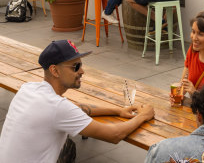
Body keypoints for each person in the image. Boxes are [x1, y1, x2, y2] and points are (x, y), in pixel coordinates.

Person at [0, 40, 155, 162]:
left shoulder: (29, 88)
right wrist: (144, 115)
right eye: (76, 66)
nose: (82, 71)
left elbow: (77, 108)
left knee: (68, 146)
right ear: (55, 70)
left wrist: (118, 110)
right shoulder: (56, 107)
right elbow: (114, 135)